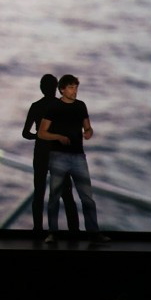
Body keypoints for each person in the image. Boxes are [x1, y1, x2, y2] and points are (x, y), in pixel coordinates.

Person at [37, 75, 107, 241]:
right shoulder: (54, 107)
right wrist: (58, 137)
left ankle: (93, 233)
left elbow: (88, 127)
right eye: (71, 87)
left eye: (76, 87)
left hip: (78, 158)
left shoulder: (81, 106)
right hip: (58, 157)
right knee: (54, 196)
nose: (74, 91)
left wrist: (88, 133)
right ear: (62, 89)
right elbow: (42, 133)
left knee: (87, 198)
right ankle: (52, 233)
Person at [21, 74, 79, 233]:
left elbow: (25, 133)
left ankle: (37, 229)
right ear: (56, 88)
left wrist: (38, 136)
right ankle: (74, 231)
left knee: (38, 193)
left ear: (41, 88)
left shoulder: (35, 106)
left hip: (40, 152)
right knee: (66, 194)